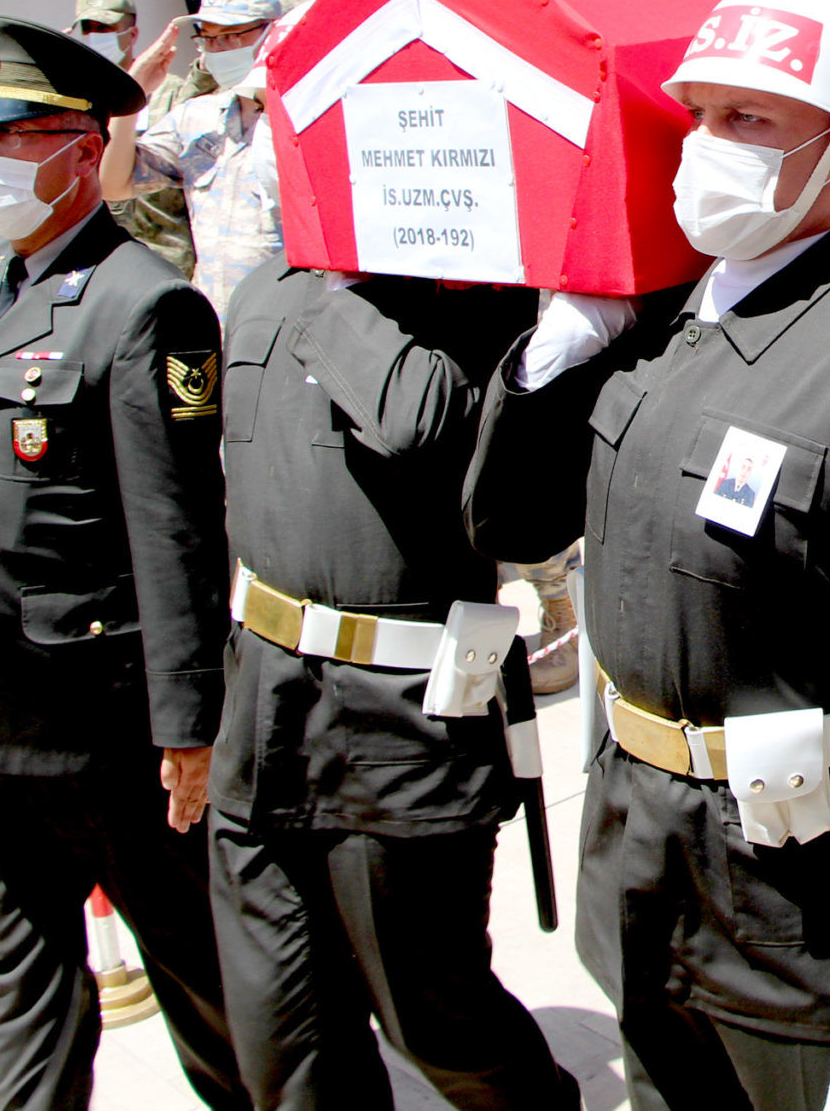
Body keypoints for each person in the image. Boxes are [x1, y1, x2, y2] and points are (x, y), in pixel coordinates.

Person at [466, 0, 830, 1111]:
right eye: (702, 113)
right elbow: (513, 525)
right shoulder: (663, 322)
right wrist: (550, 360)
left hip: (798, 913)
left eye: (749, 117)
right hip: (643, 874)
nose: (708, 144)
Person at [0, 17, 246, 1109]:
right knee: (17, 976)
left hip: (101, 729)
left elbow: (177, 528)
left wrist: (188, 729)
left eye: (16, 141)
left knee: (198, 974)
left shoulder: (147, 305)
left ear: (81, 147)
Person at [206, 262, 577, 1108]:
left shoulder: (471, 299)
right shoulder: (264, 284)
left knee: (434, 1019)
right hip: (264, 708)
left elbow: (428, 428)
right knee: (283, 1044)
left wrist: (343, 289)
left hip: (398, 723)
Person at [103, 0, 284, 314]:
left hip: (283, 322)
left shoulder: (304, 115)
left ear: (271, 33)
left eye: (231, 36)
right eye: (208, 39)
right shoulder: (195, 118)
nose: (217, 50)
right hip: (214, 319)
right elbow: (113, 183)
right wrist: (132, 94)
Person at [73, 0, 204, 279]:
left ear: (132, 34)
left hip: (165, 258)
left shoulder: (170, 93)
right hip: (96, 263)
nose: (96, 35)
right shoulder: (76, 100)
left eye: (105, 28)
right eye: (89, 27)